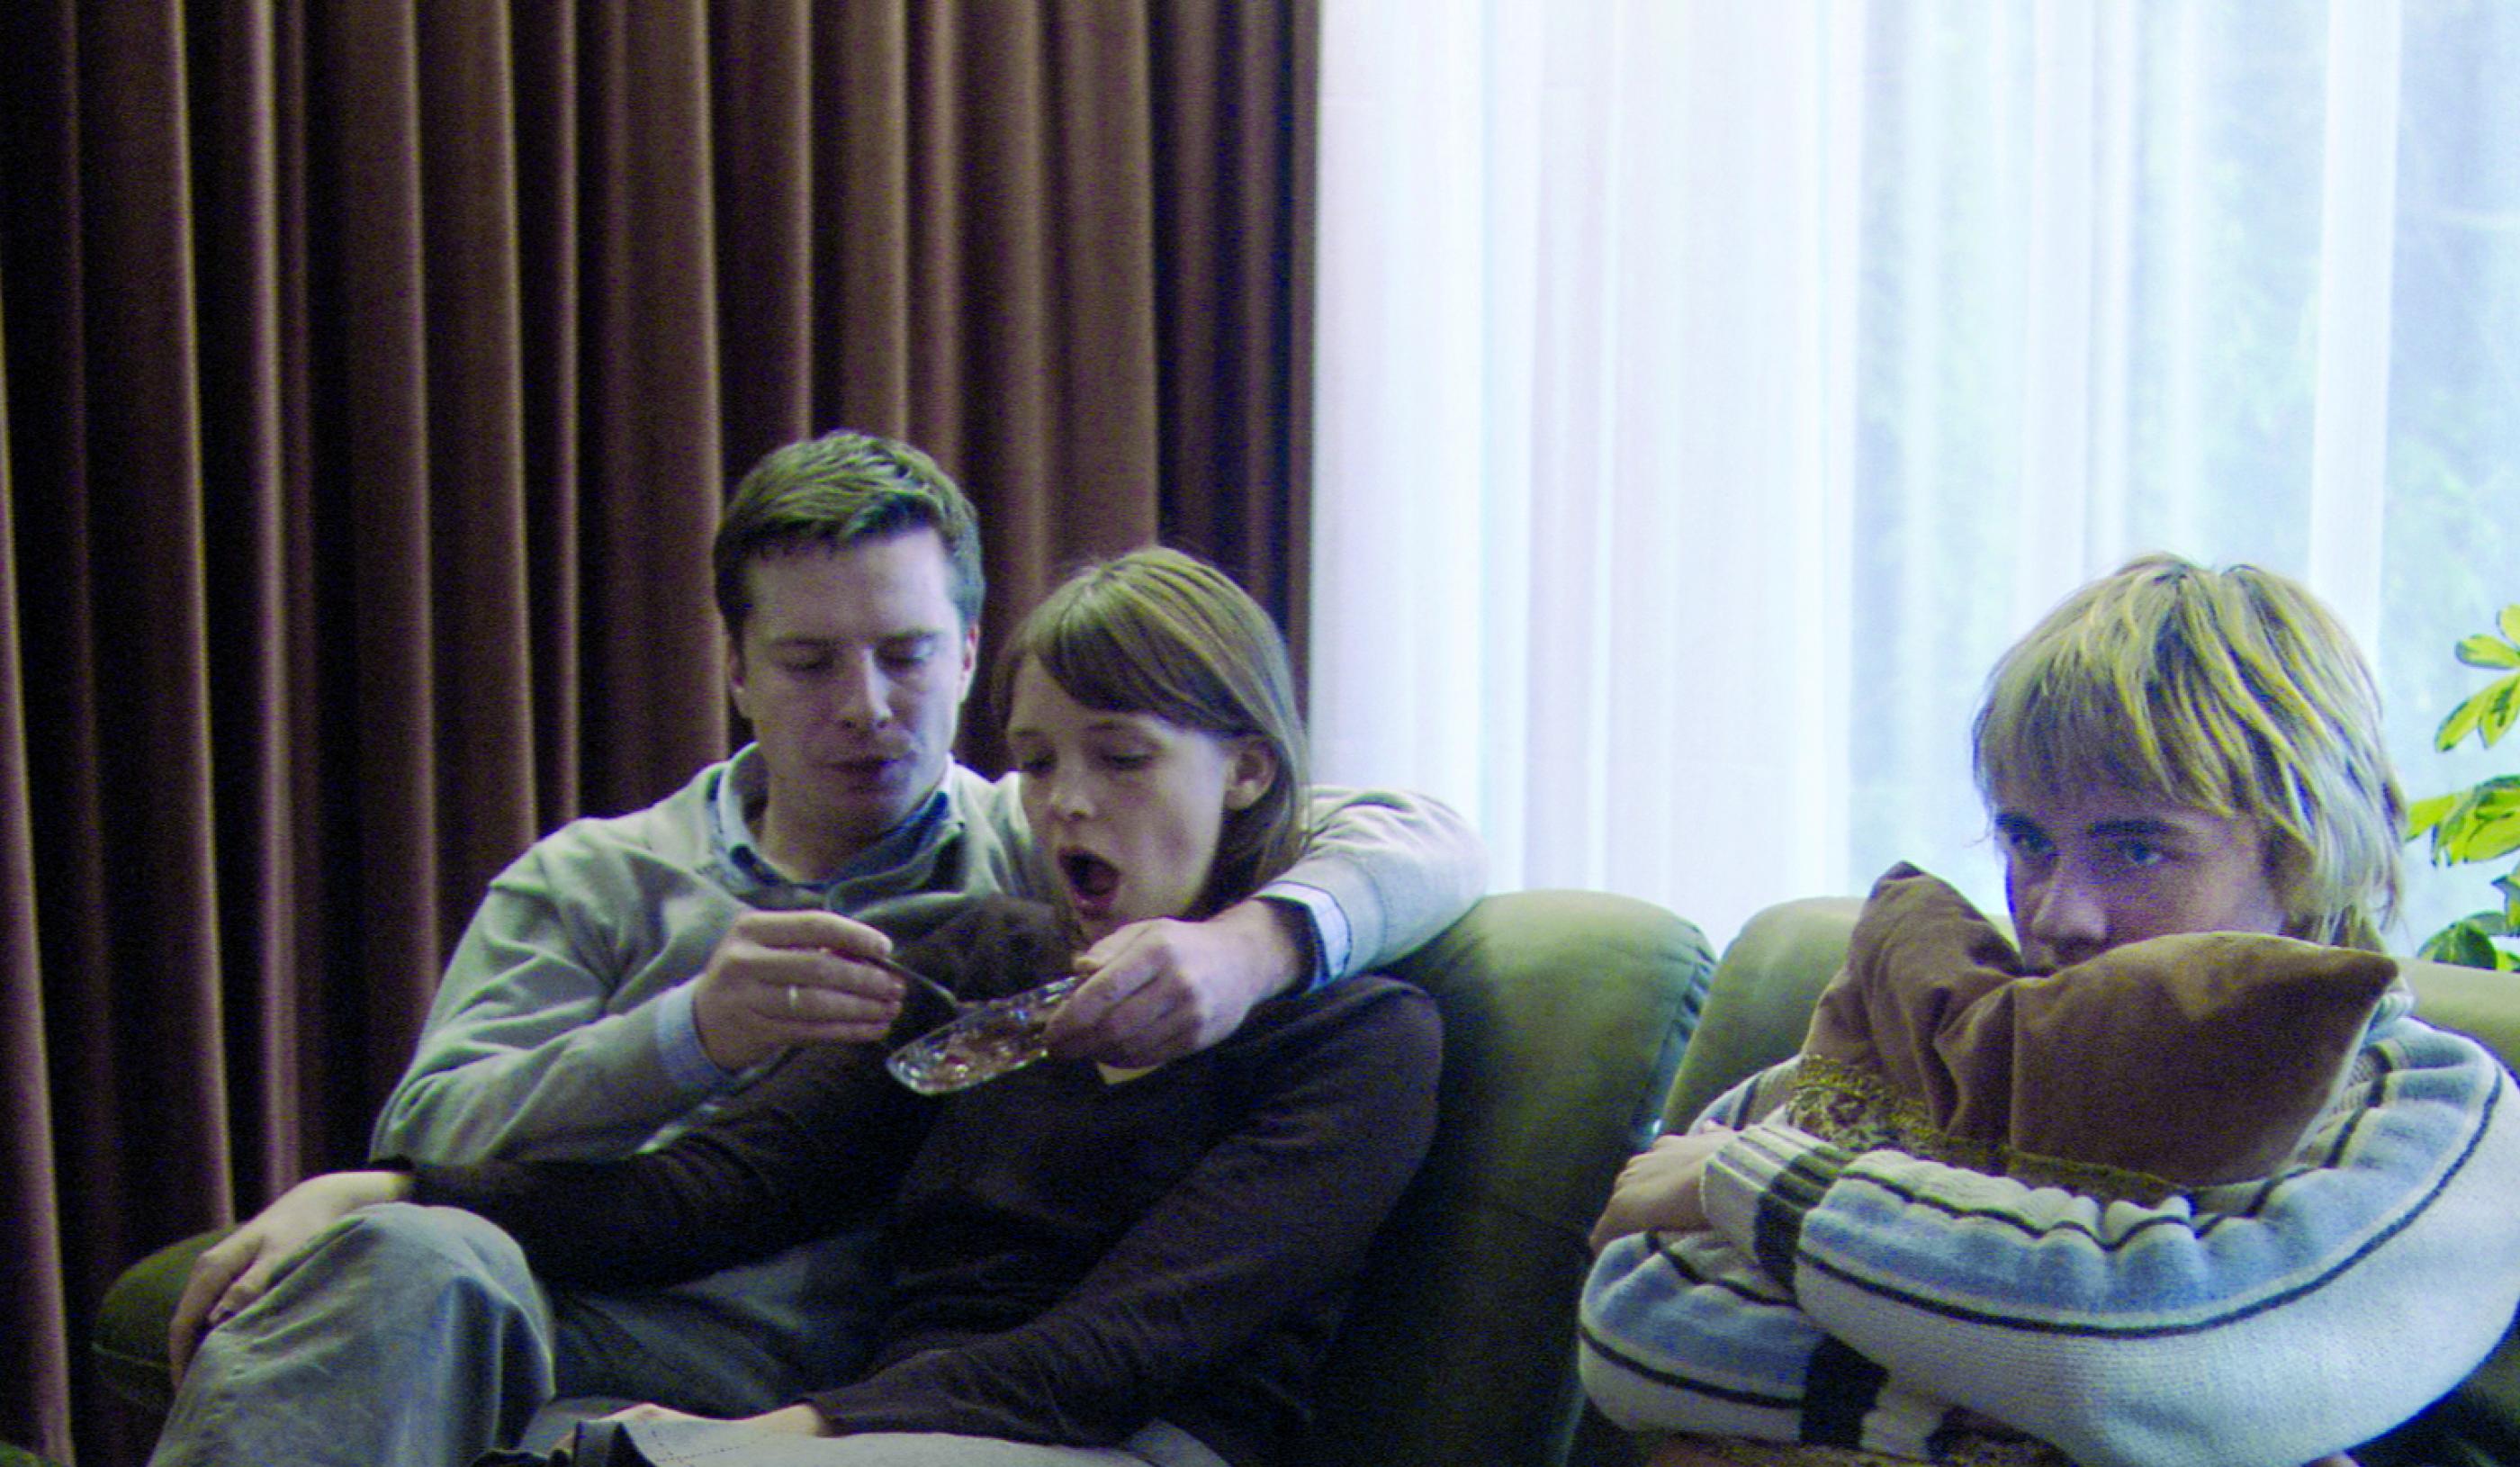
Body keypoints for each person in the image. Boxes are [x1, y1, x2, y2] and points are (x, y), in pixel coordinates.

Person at [149, 429, 1480, 1459]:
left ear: (965, 654)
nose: (868, 708)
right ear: (736, 669)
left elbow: (1412, 831)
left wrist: (1256, 945)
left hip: (897, 1386)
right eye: (808, 663)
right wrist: (679, 1041)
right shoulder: (623, 883)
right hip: (625, 1314)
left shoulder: (1031, 860)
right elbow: (630, 1171)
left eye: (907, 654)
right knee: (402, 1258)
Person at [1579, 554, 2520, 1467]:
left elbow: (2181, 1371)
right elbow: (1639, 1326)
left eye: (2137, 849)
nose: (2059, 913)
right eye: (2029, 842)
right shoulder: (1947, 1034)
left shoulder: (2430, 1105)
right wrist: (2054, 1416)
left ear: (2305, 852)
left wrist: (1761, 1190)